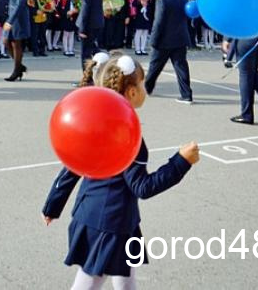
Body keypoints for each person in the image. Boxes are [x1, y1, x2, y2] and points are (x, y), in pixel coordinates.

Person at [42, 53, 200, 290]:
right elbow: (142, 187)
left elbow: (72, 166)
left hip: (96, 214)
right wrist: (181, 162)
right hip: (110, 224)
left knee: (124, 278)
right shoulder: (125, 133)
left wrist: (52, 205)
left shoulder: (95, 118)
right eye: (142, 84)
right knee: (89, 281)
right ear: (132, 92)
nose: (145, 90)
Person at [144, 0, 193, 104]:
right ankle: (186, 94)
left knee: (155, 66)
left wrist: (153, 40)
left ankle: (146, 88)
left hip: (164, 40)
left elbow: (158, 22)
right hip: (180, 38)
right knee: (181, 66)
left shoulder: (162, 0)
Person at [76, 0, 105, 81]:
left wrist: (82, 27)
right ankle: (106, 60)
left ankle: (87, 79)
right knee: (93, 47)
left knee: (85, 53)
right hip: (98, 19)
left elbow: (86, 5)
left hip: (89, 22)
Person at [3, 0, 30, 81]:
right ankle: (19, 66)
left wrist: (11, 20)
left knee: (16, 44)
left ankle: (16, 71)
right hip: (13, 14)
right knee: (7, 42)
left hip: (18, 16)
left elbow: (21, 2)